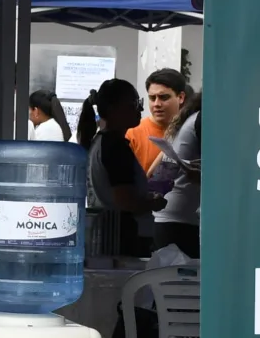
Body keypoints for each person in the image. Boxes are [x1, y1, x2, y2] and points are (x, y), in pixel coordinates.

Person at [76, 78, 159, 260]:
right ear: (113, 109)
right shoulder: (116, 147)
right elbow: (125, 202)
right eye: (133, 104)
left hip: (106, 236)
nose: (140, 109)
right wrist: (154, 203)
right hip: (123, 239)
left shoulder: (100, 141)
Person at [150, 97, 200, 258]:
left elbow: (156, 173)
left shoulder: (187, 123)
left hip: (167, 216)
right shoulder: (202, 121)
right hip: (182, 220)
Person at [127, 68, 188, 172]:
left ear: (181, 97)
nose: (157, 104)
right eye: (152, 98)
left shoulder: (189, 130)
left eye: (163, 97)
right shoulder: (132, 134)